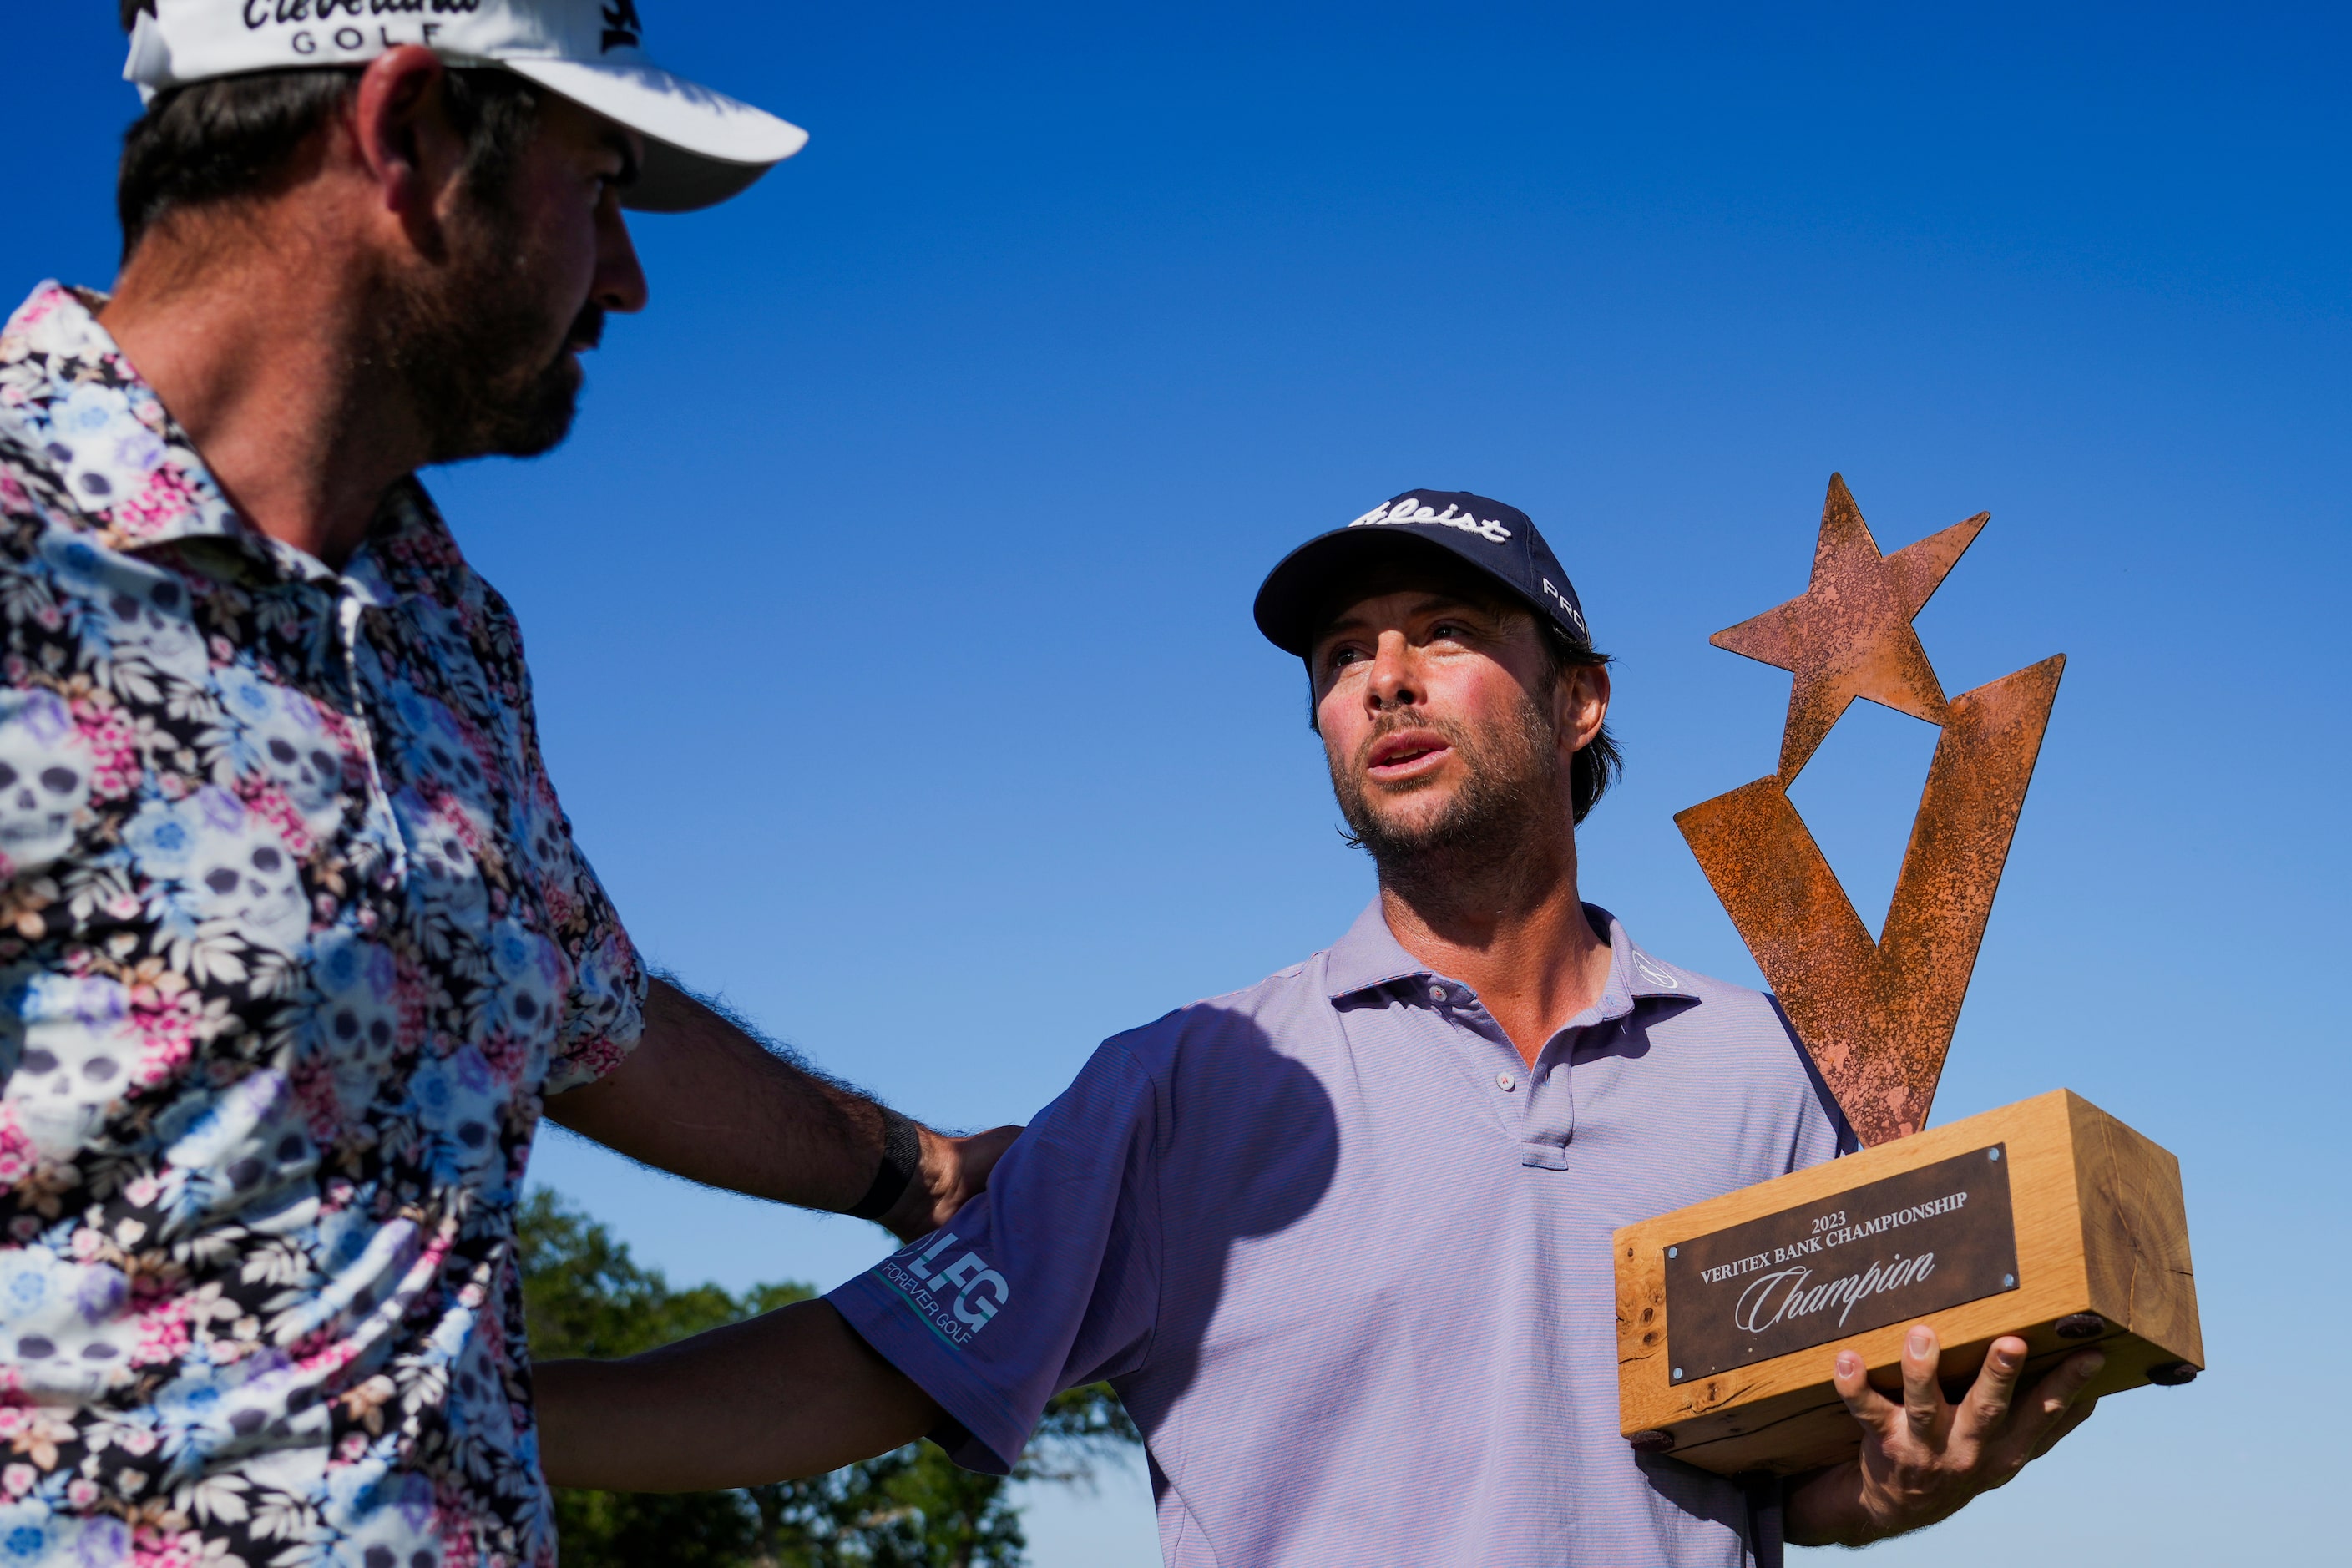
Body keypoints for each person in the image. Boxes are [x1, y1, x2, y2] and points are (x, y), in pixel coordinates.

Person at [534, 490, 2107, 1565]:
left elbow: (1783, 1478)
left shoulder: (1769, 1065)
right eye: (1342, 655)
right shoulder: (1185, 1081)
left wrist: (1895, 1484)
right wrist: (479, 1415)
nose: (1383, 678)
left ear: (1579, 702)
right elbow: (870, 1366)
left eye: (1440, 631)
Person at [0, 3, 1012, 1564]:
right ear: (406, 138)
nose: (626, 276)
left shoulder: (444, 624)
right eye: (598, 180)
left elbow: (577, 1001)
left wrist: (918, 1174)